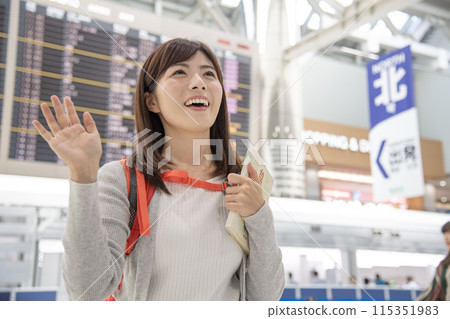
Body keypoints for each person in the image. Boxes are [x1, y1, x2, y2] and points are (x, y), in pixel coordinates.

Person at [32, 38, 285, 300]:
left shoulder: (243, 180)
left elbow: (265, 297)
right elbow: (87, 291)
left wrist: (258, 215)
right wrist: (83, 176)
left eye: (209, 74)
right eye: (179, 72)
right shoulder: (123, 179)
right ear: (151, 101)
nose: (199, 82)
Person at [417, 221, 450, 301]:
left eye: (449, 232)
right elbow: (431, 294)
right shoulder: (444, 266)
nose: (446, 237)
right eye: (444, 234)